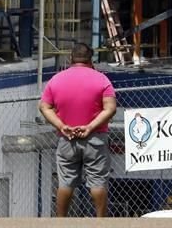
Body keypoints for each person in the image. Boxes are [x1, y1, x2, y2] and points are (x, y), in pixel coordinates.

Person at [38, 42, 117, 218]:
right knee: (97, 181)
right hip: (95, 137)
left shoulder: (56, 79)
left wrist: (61, 125)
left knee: (66, 182)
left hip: (67, 137)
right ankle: (100, 221)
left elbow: (44, 107)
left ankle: (61, 220)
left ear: (70, 58)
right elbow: (110, 108)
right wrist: (90, 126)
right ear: (91, 59)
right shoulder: (102, 79)